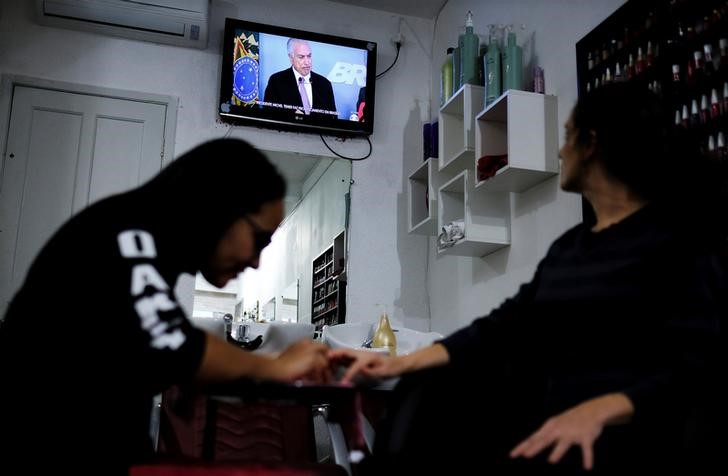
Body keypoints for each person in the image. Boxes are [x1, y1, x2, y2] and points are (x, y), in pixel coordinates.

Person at [330, 82, 725, 474]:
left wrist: (601, 410)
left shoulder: (676, 241)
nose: (559, 149)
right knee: (425, 397)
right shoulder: (570, 249)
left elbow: (699, 363)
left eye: (568, 136)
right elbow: (502, 326)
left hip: (627, 434)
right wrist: (399, 365)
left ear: (591, 144)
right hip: (551, 424)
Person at [0, 138, 332, 474]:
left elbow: (149, 352)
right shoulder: (129, 231)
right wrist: (274, 367)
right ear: (219, 207)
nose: (257, 262)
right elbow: (174, 345)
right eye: (259, 240)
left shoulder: (143, 239)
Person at [263, 38, 337, 118]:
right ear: (291, 58)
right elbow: (269, 113)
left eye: (309, 56)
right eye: (301, 57)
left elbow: (333, 118)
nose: (307, 62)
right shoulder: (276, 81)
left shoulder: (325, 84)